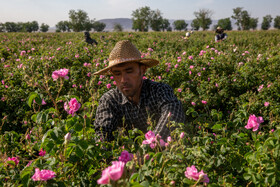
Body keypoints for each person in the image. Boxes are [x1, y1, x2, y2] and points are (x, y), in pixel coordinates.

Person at [93, 40, 185, 142]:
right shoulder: (109, 100)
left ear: (142, 70)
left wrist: (150, 146)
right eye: (117, 73)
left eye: (129, 71)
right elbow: (102, 133)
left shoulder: (159, 91)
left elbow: (172, 114)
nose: (123, 80)